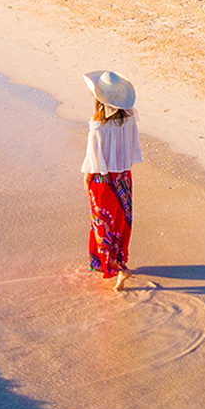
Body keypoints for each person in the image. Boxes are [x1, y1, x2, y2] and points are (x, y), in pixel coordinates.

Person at [81, 70, 141, 291]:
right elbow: (133, 150)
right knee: (119, 221)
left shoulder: (98, 125)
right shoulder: (129, 120)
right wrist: (123, 173)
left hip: (103, 178)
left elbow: (93, 158)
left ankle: (117, 267)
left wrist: (87, 179)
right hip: (124, 176)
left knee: (101, 222)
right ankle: (118, 262)